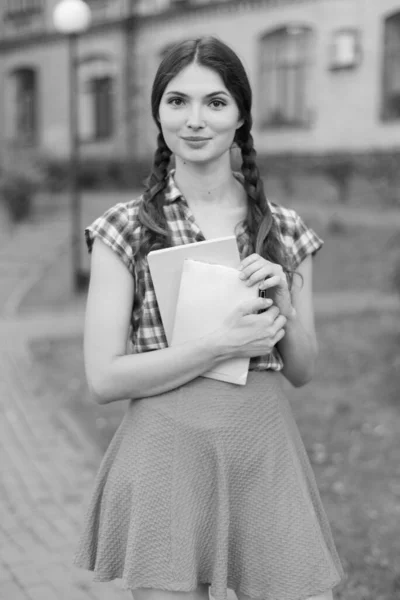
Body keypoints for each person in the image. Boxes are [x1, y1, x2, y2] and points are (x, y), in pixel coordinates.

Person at [73, 37, 344, 600]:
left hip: (263, 449)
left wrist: (284, 306)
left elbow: (303, 370)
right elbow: (103, 379)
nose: (195, 120)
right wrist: (220, 344)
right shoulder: (124, 229)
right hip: (167, 455)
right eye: (178, 101)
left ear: (241, 114)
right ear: (159, 113)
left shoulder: (285, 229)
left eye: (215, 103)